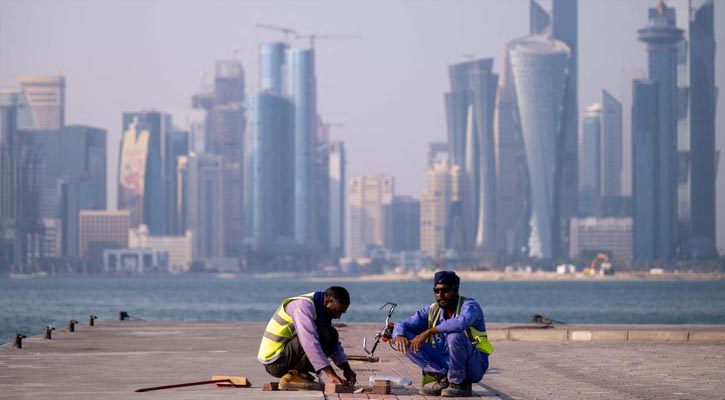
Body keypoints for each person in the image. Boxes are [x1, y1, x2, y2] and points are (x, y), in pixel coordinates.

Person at [393, 271, 492, 397]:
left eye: (445, 290)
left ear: (455, 290)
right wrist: (399, 335)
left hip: (474, 366)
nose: (440, 295)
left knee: (454, 335)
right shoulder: (432, 310)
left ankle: (459, 384)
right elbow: (402, 324)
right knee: (404, 338)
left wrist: (429, 331)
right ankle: (444, 379)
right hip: (446, 363)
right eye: (436, 291)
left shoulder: (470, 306)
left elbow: (462, 322)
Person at [257, 286, 357, 391]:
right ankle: (292, 377)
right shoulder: (303, 306)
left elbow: (334, 345)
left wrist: (346, 368)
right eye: (336, 311)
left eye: (341, 313)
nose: (338, 316)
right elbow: (309, 342)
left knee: (332, 334)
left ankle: (299, 375)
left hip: (286, 357)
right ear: (328, 301)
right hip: (275, 361)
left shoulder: (322, 310)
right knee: (320, 333)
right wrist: (330, 374)